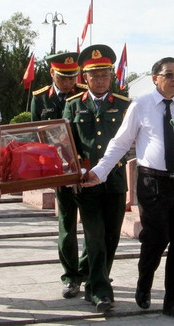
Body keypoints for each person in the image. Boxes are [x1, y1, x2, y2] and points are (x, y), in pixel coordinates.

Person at [83, 57, 174, 321]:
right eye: (169, 75)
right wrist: (99, 172)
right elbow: (121, 142)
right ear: (155, 77)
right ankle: (144, 283)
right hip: (152, 182)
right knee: (155, 239)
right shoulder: (140, 105)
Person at [63, 45, 130, 313]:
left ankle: (93, 283)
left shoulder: (124, 105)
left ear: (111, 76)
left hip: (114, 181)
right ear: (85, 78)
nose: (100, 80)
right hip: (87, 181)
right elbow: (66, 142)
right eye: (94, 76)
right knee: (95, 235)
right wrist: (76, 170)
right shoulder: (73, 105)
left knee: (112, 236)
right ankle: (102, 291)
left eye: (104, 75)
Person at [30, 52, 86, 299]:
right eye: (63, 77)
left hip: (86, 170)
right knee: (67, 226)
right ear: (52, 74)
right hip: (59, 171)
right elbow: (35, 134)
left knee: (95, 226)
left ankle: (88, 270)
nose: (68, 83)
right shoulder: (41, 98)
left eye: (72, 77)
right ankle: (71, 276)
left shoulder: (83, 93)